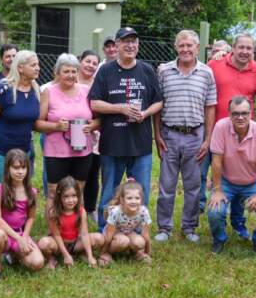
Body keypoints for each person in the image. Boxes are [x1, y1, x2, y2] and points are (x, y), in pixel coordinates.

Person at [90, 27, 163, 230]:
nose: (130, 45)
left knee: (141, 193)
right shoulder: (105, 70)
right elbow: (94, 103)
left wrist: (145, 113)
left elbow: (159, 102)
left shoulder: (147, 70)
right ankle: (105, 231)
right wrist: (120, 108)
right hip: (113, 143)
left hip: (140, 145)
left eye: (134, 41)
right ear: (117, 45)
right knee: (108, 192)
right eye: (126, 41)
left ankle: (139, 233)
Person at [153, 30, 216, 244]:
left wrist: (207, 140)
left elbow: (210, 107)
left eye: (190, 45)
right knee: (166, 185)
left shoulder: (207, 73)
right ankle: (164, 227)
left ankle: (189, 227)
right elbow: (158, 106)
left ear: (197, 48)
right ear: (176, 47)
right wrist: (157, 135)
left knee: (193, 186)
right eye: (182, 45)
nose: (186, 49)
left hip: (195, 136)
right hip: (169, 135)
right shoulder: (164, 71)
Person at [202, 33, 256, 239]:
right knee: (211, 174)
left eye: (249, 48)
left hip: (242, 134)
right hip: (216, 132)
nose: (245, 52)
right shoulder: (215, 64)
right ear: (233, 49)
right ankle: (210, 215)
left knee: (240, 177)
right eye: (241, 47)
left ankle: (238, 222)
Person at [207, 96, 256, 255]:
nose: (240, 117)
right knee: (214, 212)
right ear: (229, 114)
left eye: (245, 113)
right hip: (227, 181)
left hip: (254, 182)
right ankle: (219, 238)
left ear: (251, 113)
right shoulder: (220, 127)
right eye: (235, 114)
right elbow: (216, 161)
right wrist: (217, 190)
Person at [35, 53, 100, 217]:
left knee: (78, 191)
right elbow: (37, 123)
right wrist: (56, 126)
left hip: (82, 150)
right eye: (66, 71)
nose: (70, 75)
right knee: (54, 192)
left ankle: (77, 229)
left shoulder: (87, 91)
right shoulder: (48, 92)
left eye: (73, 71)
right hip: (56, 150)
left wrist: (93, 125)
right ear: (57, 73)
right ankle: (53, 230)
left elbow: (99, 119)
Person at [0, 50, 40, 186]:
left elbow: (35, 123)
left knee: (21, 193)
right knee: (2, 193)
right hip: (0, 152)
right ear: (20, 68)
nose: (37, 68)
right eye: (33, 65)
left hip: (24, 152)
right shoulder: (3, 89)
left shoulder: (36, 91)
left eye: (38, 65)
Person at [0, 149, 44, 279]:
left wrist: (24, 237)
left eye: (23, 168)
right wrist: (18, 239)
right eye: (16, 167)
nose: (20, 172)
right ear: (8, 168)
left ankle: (14, 255)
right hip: (4, 234)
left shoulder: (32, 192)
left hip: (20, 233)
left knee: (38, 263)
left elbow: (31, 217)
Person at [38, 176, 103, 269]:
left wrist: (90, 256)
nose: (71, 200)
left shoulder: (81, 211)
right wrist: (65, 255)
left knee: (99, 238)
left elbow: (84, 234)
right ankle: (51, 258)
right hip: (59, 244)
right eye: (66, 196)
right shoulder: (54, 212)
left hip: (75, 244)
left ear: (78, 196)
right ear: (59, 197)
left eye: (74, 196)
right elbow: (56, 235)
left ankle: (82, 253)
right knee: (43, 243)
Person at [98, 179, 152, 266]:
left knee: (140, 242)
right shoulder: (116, 212)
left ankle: (136, 253)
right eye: (129, 198)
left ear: (141, 199)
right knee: (123, 241)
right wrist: (103, 253)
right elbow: (109, 235)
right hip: (115, 233)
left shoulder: (143, 211)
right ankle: (109, 253)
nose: (133, 201)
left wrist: (147, 253)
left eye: (137, 198)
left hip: (129, 232)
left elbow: (146, 235)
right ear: (122, 200)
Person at [78, 50, 102, 222]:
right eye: (87, 61)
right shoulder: (71, 81)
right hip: (72, 134)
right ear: (80, 61)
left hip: (94, 135)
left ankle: (90, 209)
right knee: (75, 174)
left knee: (93, 173)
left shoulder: (99, 84)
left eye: (94, 63)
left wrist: (95, 124)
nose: (90, 66)